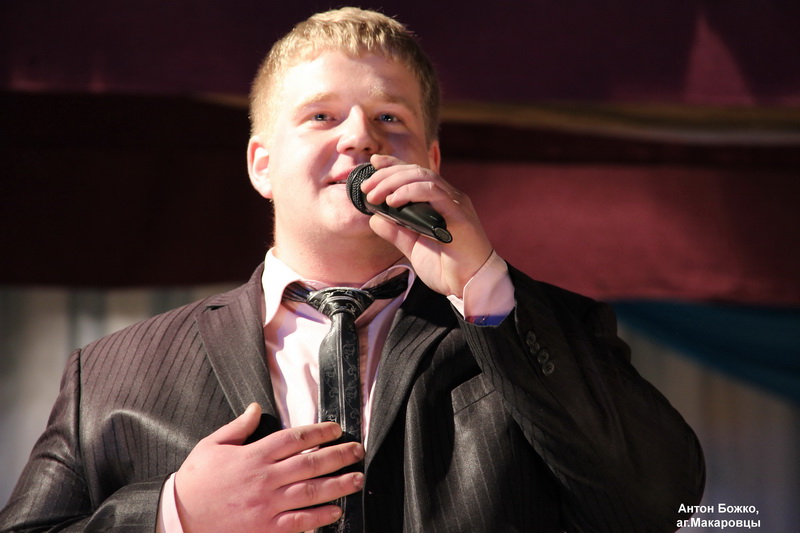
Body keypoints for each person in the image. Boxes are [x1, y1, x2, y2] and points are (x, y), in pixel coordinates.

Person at [0, 7, 705, 533]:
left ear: (430, 161)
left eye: (390, 119)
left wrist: (484, 285)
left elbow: (666, 504)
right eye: (320, 116)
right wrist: (174, 516)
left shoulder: (539, 328)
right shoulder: (112, 373)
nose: (360, 137)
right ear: (261, 165)